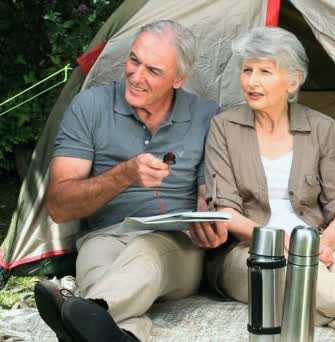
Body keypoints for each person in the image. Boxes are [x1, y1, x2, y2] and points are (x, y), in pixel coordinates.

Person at [203, 26, 335, 341]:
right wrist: (280, 243)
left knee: (328, 280)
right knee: (297, 281)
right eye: (247, 70)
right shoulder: (224, 127)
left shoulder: (322, 128)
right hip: (251, 250)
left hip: (322, 242)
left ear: (293, 81)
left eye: (265, 71)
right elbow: (227, 212)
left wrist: (325, 245)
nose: (252, 81)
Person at [34, 20, 227, 342]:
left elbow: (210, 192)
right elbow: (59, 207)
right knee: (102, 285)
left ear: (179, 78)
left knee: (147, 250)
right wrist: (123, 175)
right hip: (105, 236)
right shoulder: (90, 106)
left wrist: (209, 215)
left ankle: (78, 312)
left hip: (175, 244)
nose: (136, 77)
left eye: (153, 71)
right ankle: (119, 333)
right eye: (134, 60)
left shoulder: (206, 115)